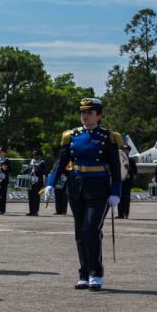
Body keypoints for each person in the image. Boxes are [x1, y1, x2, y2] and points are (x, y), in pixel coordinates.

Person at [42, 98, 122, 291]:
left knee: (92, 228)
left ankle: (96, 273)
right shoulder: (72, 136)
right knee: (80, 231)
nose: (85, 116)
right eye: (83, 113)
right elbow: (60, 162)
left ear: (99, 116)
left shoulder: (108, 137)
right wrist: (50, 183)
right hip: (76, 186)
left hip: (99, 188)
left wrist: (115, 192)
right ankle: (84, 273)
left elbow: (116, 168)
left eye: (89, 112)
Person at [117, 145, 137, 219]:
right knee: (120, 197)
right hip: (120, 181)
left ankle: (126, 214)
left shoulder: (131, 160)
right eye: (124, 149)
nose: (125, 151)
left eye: (126, 150)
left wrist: (129, 169)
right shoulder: (119, 160)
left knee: (126, 198)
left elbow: (135, 173)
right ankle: (120, 214)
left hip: (127, 182)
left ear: (129, 151)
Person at [26, 151, 46, 216]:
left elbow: (43, 172)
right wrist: (24, 171)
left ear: (39, 155)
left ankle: (35, 211)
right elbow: (28, 169)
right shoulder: (31, 161)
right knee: (30, 196)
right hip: (30, 180)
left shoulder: (42, 162)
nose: (34, 156)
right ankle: (31, 211)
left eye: (36, 155)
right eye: (34, 155)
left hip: (38, 181)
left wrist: (38, 167)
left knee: (36, 197)